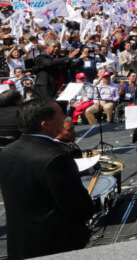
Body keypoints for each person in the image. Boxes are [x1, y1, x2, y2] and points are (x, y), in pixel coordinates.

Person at [0, 99, 94, 258]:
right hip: (54, 244)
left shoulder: (7, 151)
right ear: (46, 125)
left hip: (19, 242)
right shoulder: (56, 157)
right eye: (60, 114)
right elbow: (79, 207)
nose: (65, 117)